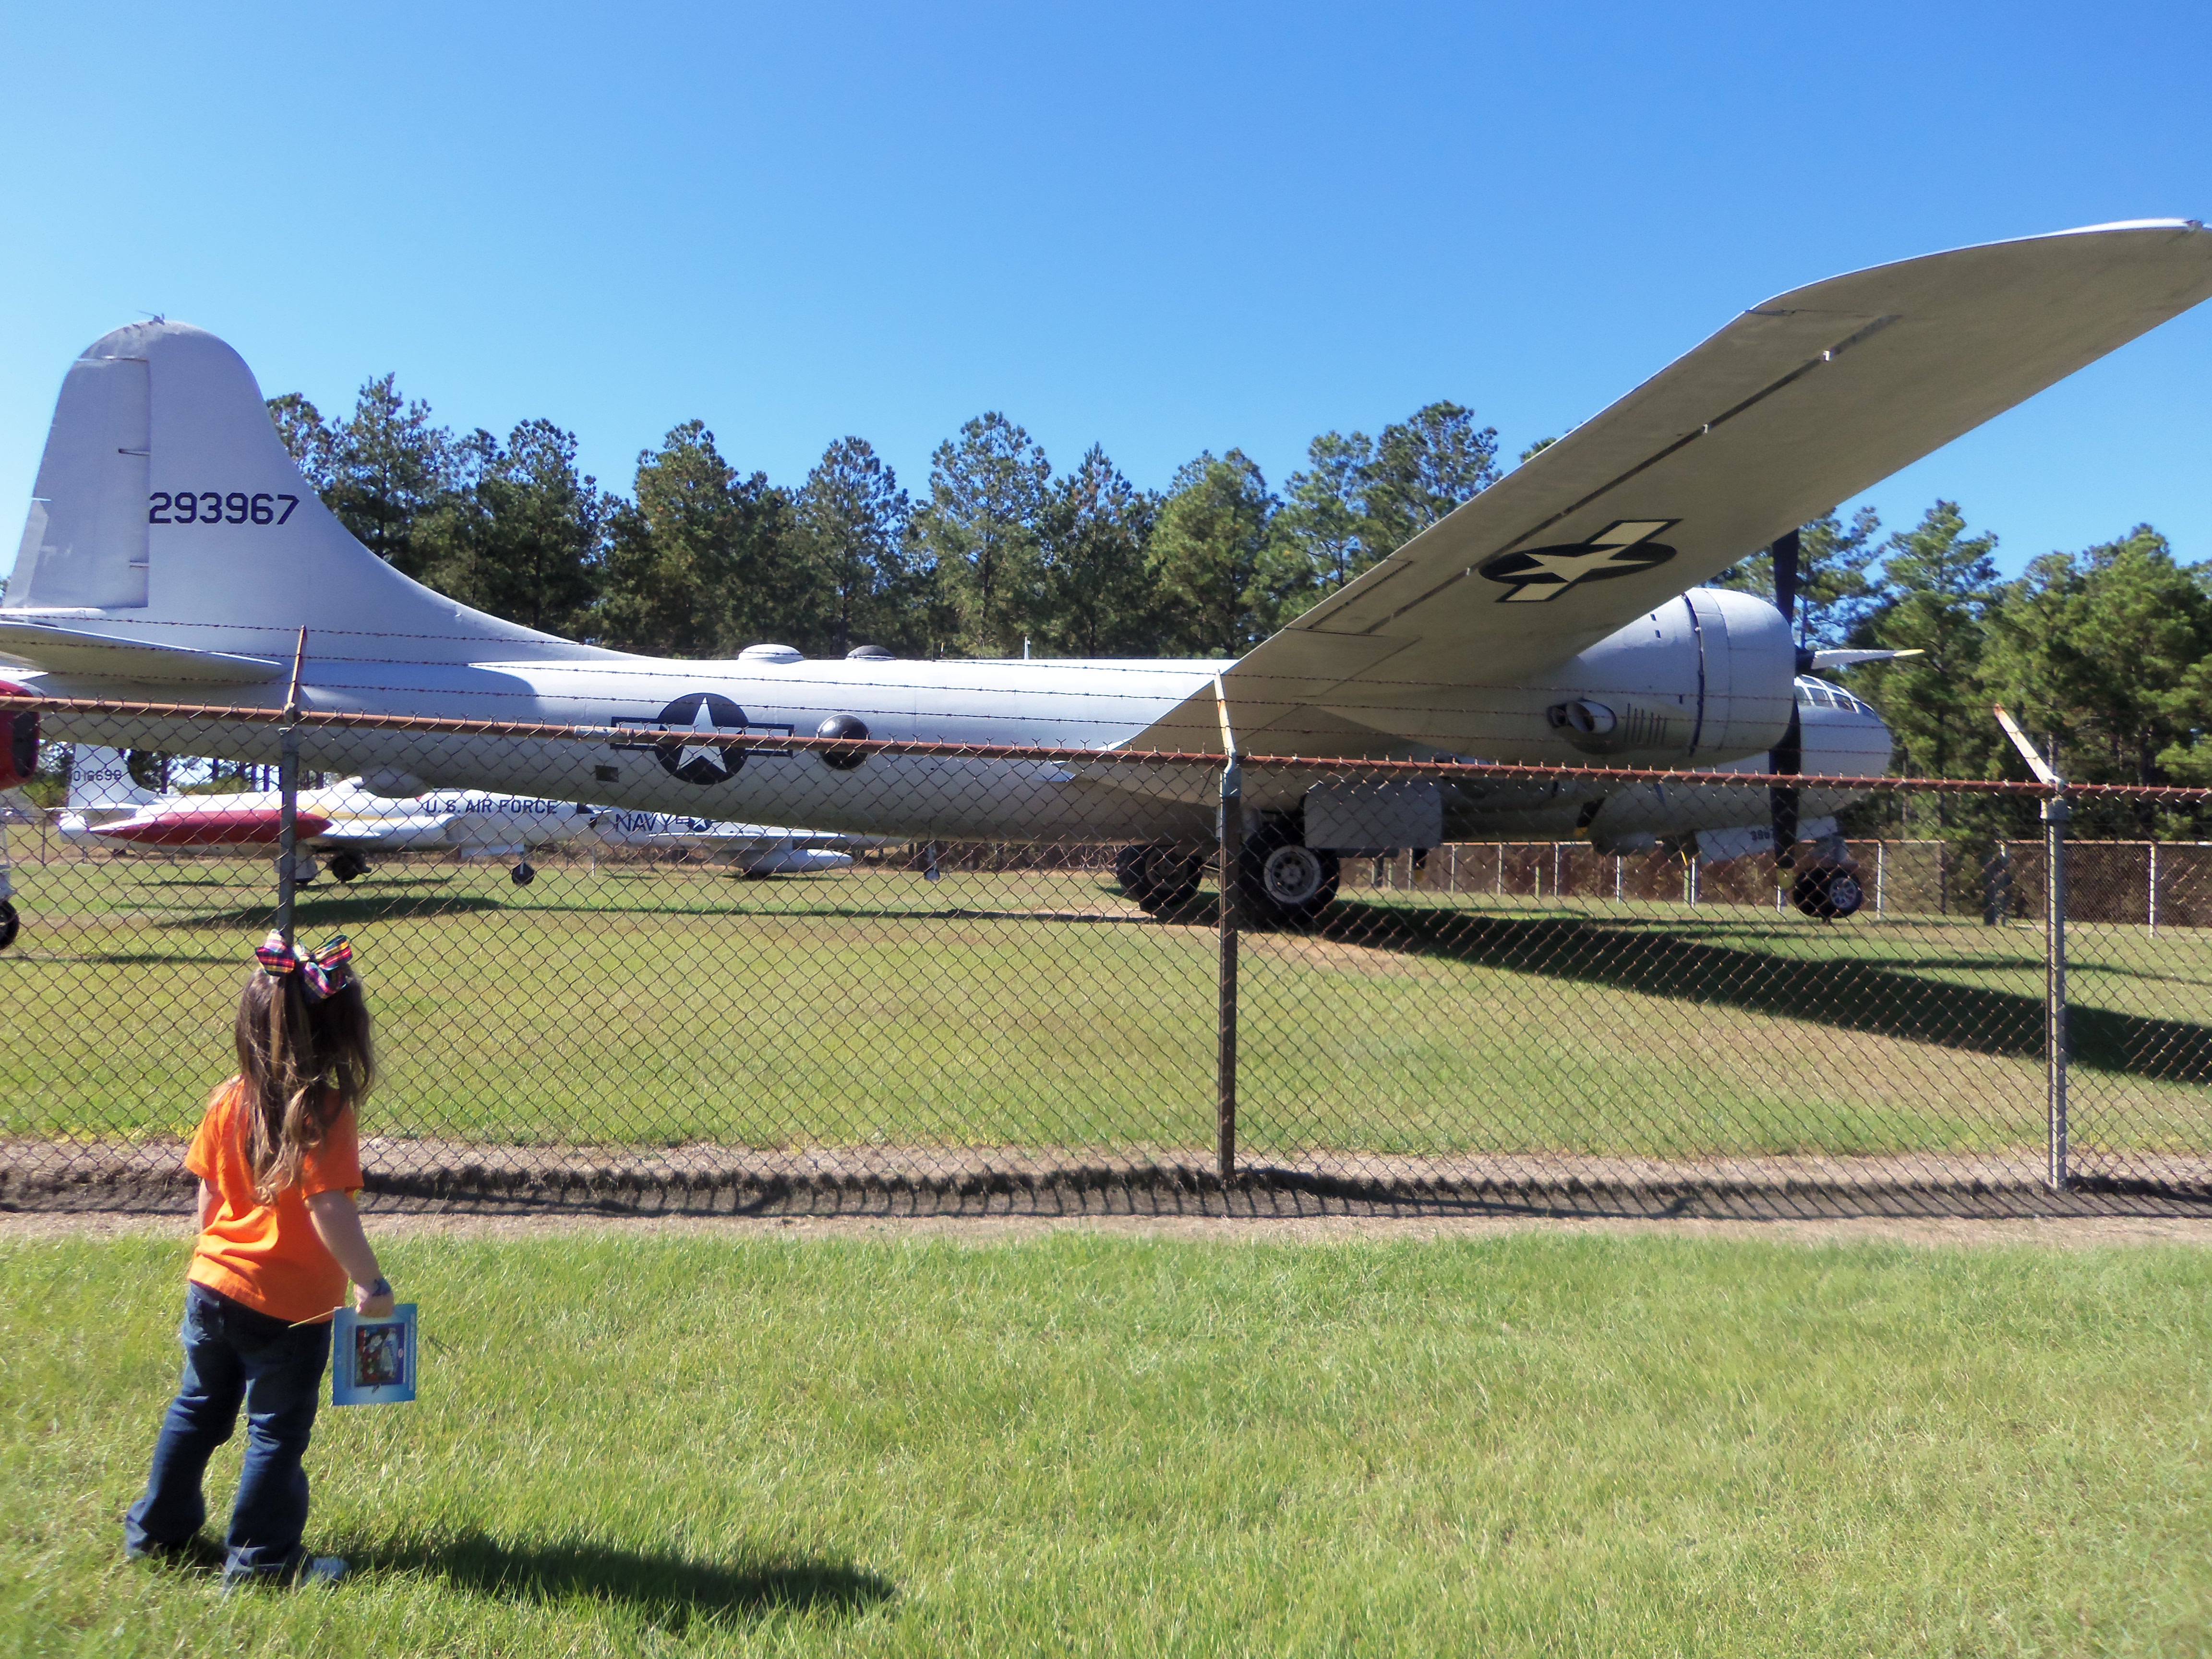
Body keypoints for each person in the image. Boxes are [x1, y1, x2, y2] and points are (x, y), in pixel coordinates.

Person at [123, 932, 394, 1587]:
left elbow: (209, 1193)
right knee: (275, 1431)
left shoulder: (228, 1098)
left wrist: (217, 1258)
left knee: (197, 1408)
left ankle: (157, 1536)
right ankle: (262, 1562)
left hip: (213, 1287)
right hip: (289, 1310)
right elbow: (329, 1207)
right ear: (341, 1034)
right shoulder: (325, 1113)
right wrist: (370, 1283)